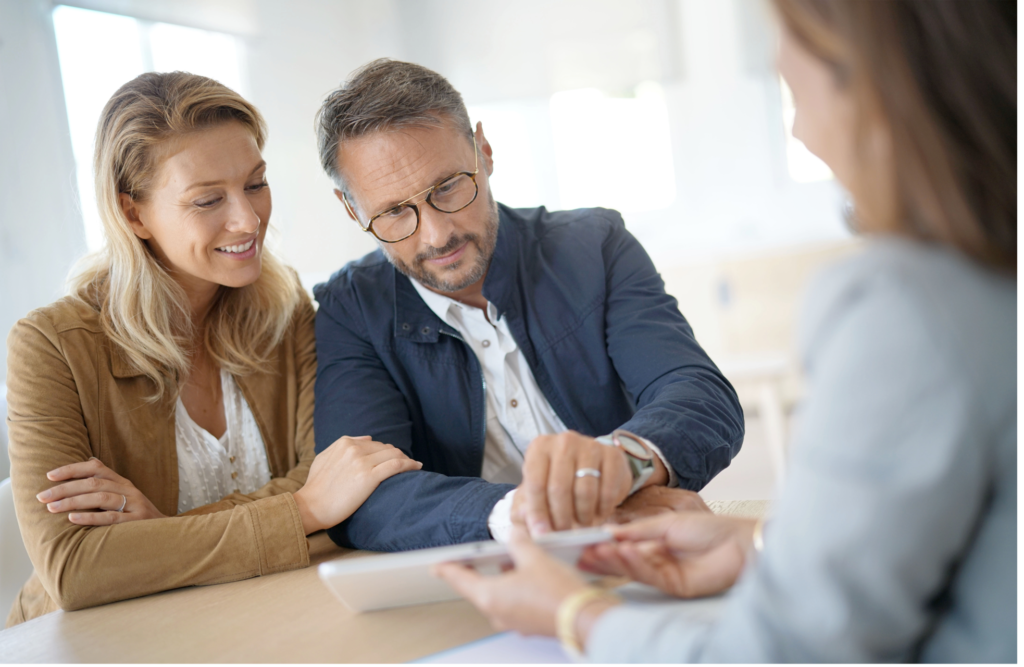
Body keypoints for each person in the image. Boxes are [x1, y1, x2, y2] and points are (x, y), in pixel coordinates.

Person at [436, 0, 1018, 663]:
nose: (799, 129)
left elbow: (788, 652)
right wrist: (763, 547)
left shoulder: (911, 314)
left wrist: (576, 615)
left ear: (875, 83)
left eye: (794, 76)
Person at [5, 72, 420, 627]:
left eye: (255, 184)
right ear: (133, 214)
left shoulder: (285, 308)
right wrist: (304, 509)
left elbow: (342, 491)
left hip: (261, 619)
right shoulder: (49, 347)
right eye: (206, 200)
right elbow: (76, 572)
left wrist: (160, 538)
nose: (248, 220)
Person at [311, 59, 745, 552]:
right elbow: (365, 498)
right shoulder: (349, 308)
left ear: (485, 150)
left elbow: (700, 397)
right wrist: (522, 515)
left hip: (636, 544)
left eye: (448, 186)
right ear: (352, 209)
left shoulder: (596, 245)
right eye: (393, 212)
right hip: (479, 578)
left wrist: (620, 469)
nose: (437, 234)